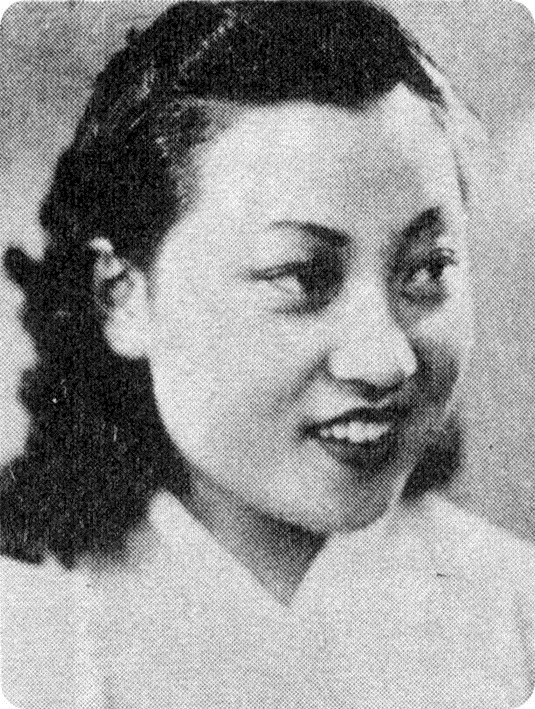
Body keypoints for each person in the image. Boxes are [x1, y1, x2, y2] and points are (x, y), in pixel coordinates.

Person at [1, 2, 534, 707]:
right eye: (300, 277)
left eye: (426, 269)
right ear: (123, 296)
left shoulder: (514, 613)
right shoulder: (29, 633)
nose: (387, 361)